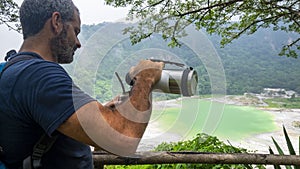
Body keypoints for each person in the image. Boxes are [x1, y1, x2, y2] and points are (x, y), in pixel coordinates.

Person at [0, 0, 164, 169]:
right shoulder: (40, 76)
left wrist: (99, 117)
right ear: (56, 22)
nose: (78, 43)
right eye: (75, 31)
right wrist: (146, 78)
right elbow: (124, 140)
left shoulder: (15, 69)